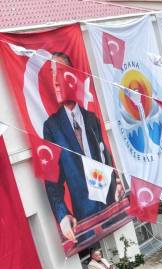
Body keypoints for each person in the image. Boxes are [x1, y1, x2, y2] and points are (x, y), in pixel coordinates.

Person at [40, 52, 122, 248]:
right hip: (85, 222)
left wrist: (117, 183)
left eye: (59, 73)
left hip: (112, 210)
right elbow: (52, 181)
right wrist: (62, 215)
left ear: (72, 76)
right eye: (52, 74)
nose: (55, 82)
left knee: (121, 249)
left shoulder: (92, 119)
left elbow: (105, 157)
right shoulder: (51, 127)